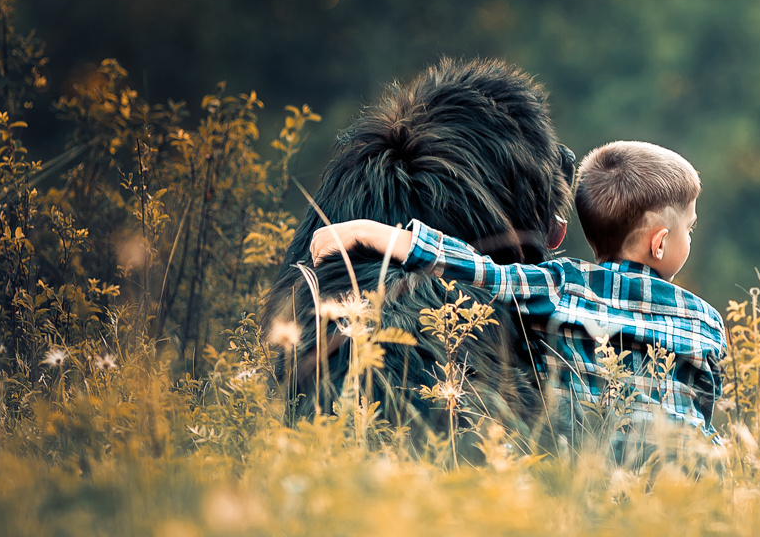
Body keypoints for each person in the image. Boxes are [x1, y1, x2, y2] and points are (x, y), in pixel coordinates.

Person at [309, 139, 726, 449]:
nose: (690, 236)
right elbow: (707, 407)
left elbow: (475, 268)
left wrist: (370, 232)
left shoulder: (559, 283)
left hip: (592, 469)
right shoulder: (707, 323)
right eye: (689, 228)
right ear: (660, 242)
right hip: (685, 479)